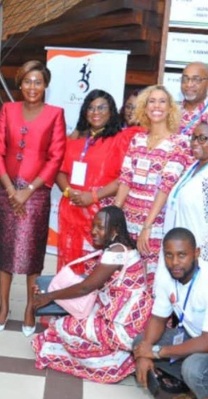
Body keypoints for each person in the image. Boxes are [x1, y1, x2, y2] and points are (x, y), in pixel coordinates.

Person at [32, 206, 153, 383]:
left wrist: (48, 296)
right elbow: (88, 285)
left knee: (61, 327)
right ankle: (118, 356)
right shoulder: (122, 248)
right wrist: (49, 290)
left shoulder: (116, 253)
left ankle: (119, 362)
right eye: (93, 226)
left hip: (123, 327)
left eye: (100, 227)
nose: (93, 231)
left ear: (115, 229)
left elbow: (85, 288)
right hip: (127, 319)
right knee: (68, 320)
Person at [0, 60, 66, 336]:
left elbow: (56, 156)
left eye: (38, 82)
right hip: (8, 190)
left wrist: (28, 190)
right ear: (20, 85)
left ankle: (30, 308)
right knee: (6, 252)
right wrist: (11, 190)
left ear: (45, 85)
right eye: (27, 82)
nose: (32, 87)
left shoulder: (55, 114)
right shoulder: (8, 110)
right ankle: (3, 307)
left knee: (32, 255)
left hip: (36, 194)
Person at [133, 228, 208, 399]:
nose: (174, 262)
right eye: (169, 255)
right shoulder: (167, 277)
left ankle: (203, 387)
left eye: (182, 255)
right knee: (140, 341)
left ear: (196, 253)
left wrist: (156, 351)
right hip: (195, 338)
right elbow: (158, 319)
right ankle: (181, 392)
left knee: (193, 368)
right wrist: (145, 353)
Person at [56, 89, 143, 274]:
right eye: (91, 108)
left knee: (94, 265)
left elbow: (124, 178)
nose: (96, 112)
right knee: (69, 262)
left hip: (100, 212)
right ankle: (67, 300)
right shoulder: (75, 139)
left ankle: (91, 301)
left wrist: (93, 196)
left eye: (102, 107)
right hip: (70, 208)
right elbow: (60, 171)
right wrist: (68, 192)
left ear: (111, 111)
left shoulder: (120, 139)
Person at [114, 85, 189, 279]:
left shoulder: (179, 143)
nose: (157, 106)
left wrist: (147, 227)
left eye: (162, 101)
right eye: (152, 101)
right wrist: (113, 217)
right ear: (144, 107)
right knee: (124, 275)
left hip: (155, 223)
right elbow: (125, 179)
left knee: (148, 278)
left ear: (170, 108)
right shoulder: (137, 139)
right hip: (127, 218)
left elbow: (166, 187)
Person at [163, 118, 208, 275]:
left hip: (200, 266)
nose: (195, 143)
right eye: (194, 137)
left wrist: (198, 263)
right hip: (180, 259)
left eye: (203, 138)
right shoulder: (193, 167)